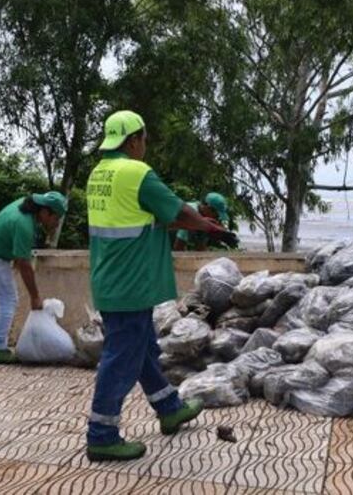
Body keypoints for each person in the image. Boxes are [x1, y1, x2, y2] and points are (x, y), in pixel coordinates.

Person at [84, 110, 238, 462]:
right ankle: (101, 435)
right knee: (121, 357)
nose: (144, 147)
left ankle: (169, 407)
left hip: (110, 278)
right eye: (145, 140)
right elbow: (178, 213)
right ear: (135, 139)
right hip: (131, 283)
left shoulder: (99, 174)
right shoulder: (136, 173)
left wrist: (193, 223)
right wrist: (209, 227)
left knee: (141, 348)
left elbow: (141, 220)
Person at [0, 191, 67, 364]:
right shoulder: (24, 224)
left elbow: (18, 254)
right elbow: (24, 265)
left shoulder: (25, 208)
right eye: (56, 218)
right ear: (45, 212)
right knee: (9, 299)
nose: (56, 224)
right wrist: (35, 297)